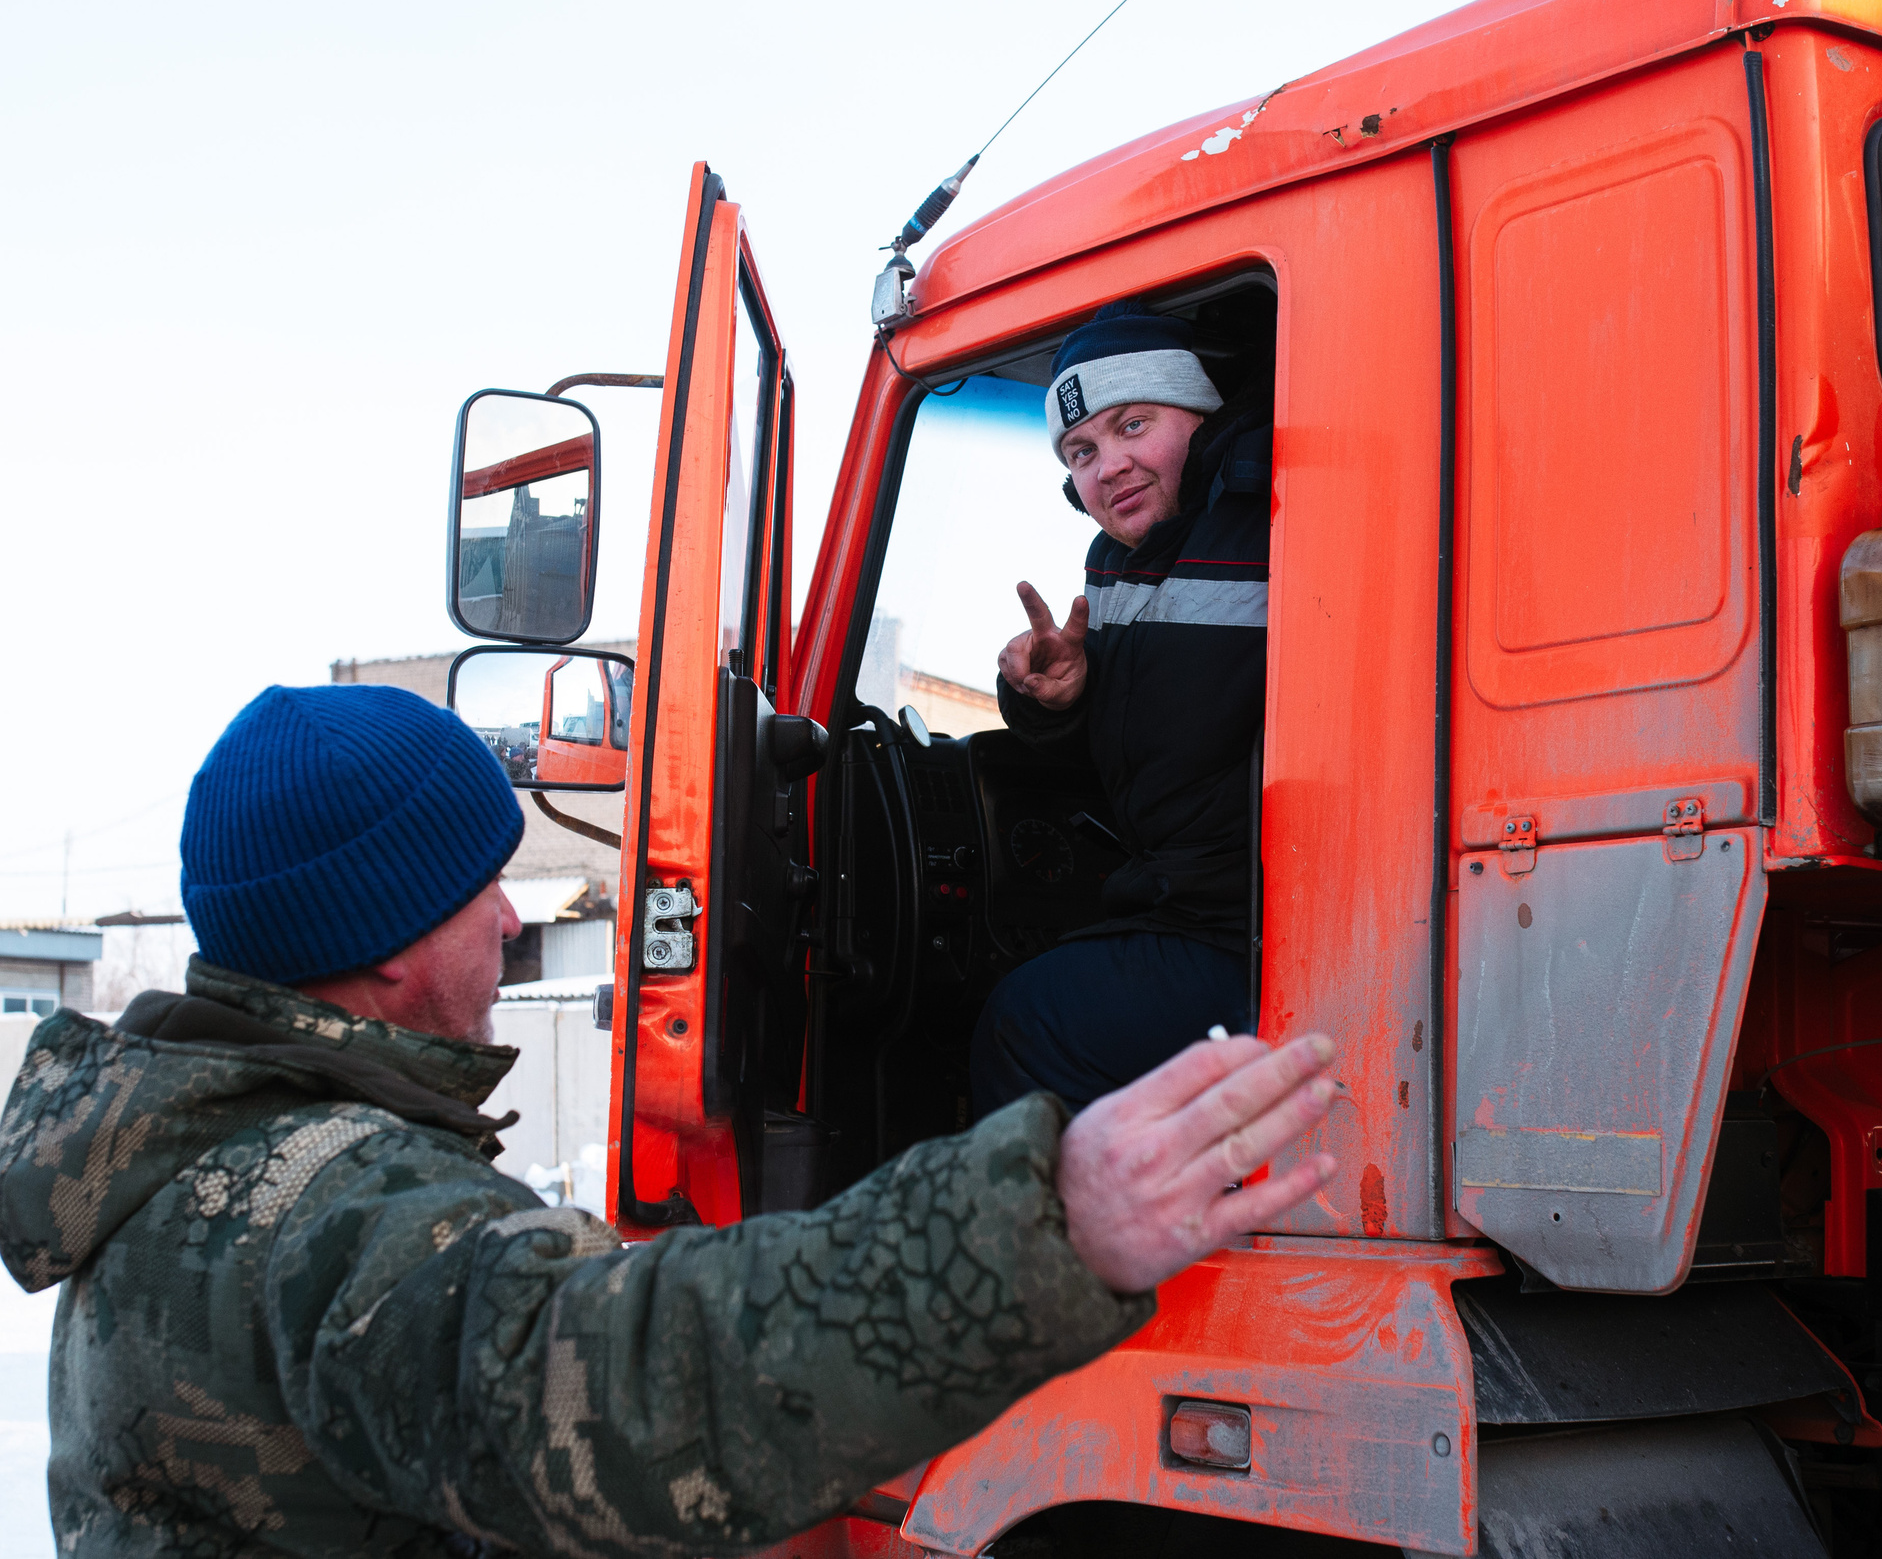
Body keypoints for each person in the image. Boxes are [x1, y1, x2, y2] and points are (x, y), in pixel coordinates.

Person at [0, 683, 1335, 1556]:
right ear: (386, 944)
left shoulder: (197, 1153)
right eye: (483, 889)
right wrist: (1049, 1224)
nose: (517, 918)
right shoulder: (328, 1213)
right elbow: (629, 1387)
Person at [973, 300, 1271, 1117]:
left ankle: (1044, 1245)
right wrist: (1054, 701)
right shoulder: (1114, 568)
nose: (1109, 466)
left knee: (1024, 1023)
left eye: (1133, 424)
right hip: (1180, 905)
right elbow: (1135, 751)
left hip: (1253, 928)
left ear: (1201, 417)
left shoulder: (1270, 524)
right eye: (1082, 450)